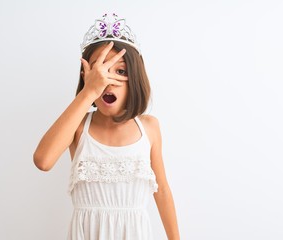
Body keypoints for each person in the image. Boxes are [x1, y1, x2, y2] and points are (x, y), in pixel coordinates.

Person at [33, 13, 180, 240]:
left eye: (119, 71)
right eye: (99, 71)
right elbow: (43, 160)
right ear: (87, 77)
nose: (107, 80)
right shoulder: (79, 127)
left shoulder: (149, 128)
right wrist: (89, 91)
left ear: (135, 78)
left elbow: (162, 191)